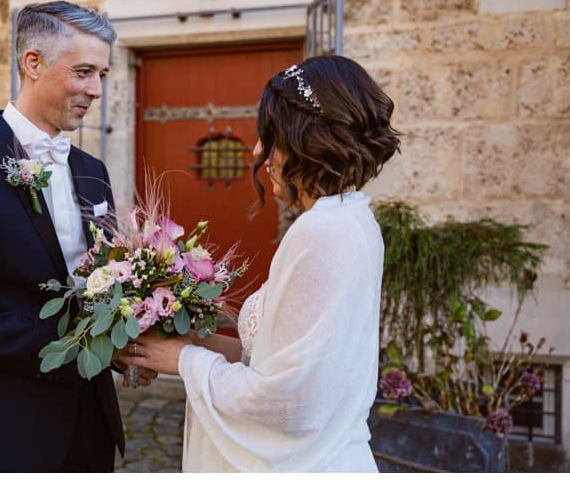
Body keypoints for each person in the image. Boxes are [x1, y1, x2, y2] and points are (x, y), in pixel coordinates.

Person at [118, 55, 401, 472]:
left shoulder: (321, 232)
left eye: (270, 137)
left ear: (306, 141)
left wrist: (182, 361)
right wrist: (192, 341)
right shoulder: (353, 218)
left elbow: (290, 403)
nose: (257, 152)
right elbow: (283, 359)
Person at [0, 0, 155, 473]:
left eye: (102, 74)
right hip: (5, 422)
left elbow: (104, 281)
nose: (96, 90)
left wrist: (128, 337)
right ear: (33, 63)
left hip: (91, 423)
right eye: (84, 71)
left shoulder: (92, 170)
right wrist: (80, 348)